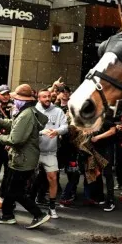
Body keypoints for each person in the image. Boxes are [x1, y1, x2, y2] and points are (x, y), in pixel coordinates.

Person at [0, 84, 50, 229]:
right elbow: (14, 124)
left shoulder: (26, 114)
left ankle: (38, 214)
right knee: (10, 189)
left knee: (16, 192)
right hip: (22, 158)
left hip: (23, 159)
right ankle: (7, 215)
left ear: (23, 100)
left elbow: (15, 139)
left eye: (16, 98)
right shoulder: (28, 111)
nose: (14, 100)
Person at [35, 89, 68, 219]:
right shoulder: (33, 111)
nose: (47, 99)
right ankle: (29, 202)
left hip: (50, 152)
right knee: (28, 178)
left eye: (49, 96)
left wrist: (57, 131)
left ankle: (52, 207)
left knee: (53, 178)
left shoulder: (58, 111)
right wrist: (41, 132)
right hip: (34, 151)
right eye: (44, 97)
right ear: (39, 98)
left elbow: (65, 127)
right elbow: (28, 129)